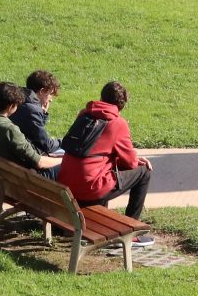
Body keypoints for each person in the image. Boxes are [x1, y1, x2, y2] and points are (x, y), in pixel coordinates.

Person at [57, 81, 154, 238]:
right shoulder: (117, 123)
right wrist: (135, 161)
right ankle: (132, 229)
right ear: (122, 105)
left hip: (67, 184)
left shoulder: (84, 114)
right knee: (144, 172)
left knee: (100, 169)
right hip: (90, 188)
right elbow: (129, 163)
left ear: (101, 97)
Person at [0, 82, 61, 178]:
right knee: (67, 167)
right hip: (17, 180)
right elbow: (39, 162)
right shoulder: (9, 130)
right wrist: (63, 160)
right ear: (11, 106)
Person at [11, 70, 63, 156]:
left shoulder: (18, 100)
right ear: (42, 91)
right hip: (24, 159)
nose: (51, 99)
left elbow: (36, 133)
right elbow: (46, 145)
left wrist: (43, 113)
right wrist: (65, 141)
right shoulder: (32, 110)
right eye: (50, 94)